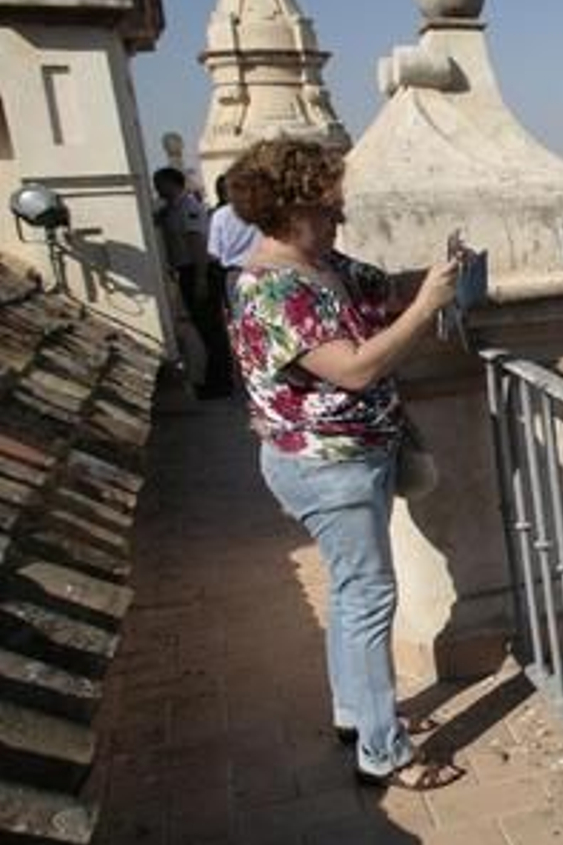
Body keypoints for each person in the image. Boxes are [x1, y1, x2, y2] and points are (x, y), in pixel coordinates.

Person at [226, 137, 464, 791]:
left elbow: (382, 291)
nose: (340, 216)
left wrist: (437, 281)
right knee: (368, 597)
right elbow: (355, 368)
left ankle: (356, 716)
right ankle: (382, 753)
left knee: (355, 592)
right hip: (328, 465)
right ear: (291, 207)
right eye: (329, 207)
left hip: (351, 456)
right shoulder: (273, 290)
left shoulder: (320, 265)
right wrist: (427, 309)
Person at [154, 167, 233, 398]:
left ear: (172, 183)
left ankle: (220, 384)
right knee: (204, 328)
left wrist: (200, 280)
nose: (157, 189)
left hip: (199, 271)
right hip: (189, 271)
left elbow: (196, 244)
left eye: (160, 184)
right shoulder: (173, 209)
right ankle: (214, 380)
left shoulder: (188, 208)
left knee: (210, 329)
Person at [208, 170, 261, 306]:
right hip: (263, 271)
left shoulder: (219, 215)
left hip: (235, 274)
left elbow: (214, 253)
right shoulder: (259, 210)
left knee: (241, 319)